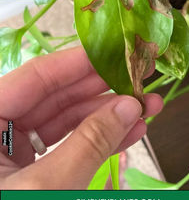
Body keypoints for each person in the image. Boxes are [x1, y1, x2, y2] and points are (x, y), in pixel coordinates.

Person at [0, 47, 163, 189]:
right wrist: (98, 136)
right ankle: (106, 188)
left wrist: (10, 145)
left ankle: (105, 187)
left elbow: (7, 138)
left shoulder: (9, 139)